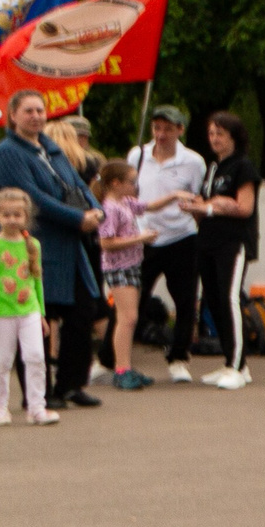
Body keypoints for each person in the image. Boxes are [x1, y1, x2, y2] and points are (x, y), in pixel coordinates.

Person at [0, 90, 104, 409]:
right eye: (29, 111)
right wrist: (78, 218)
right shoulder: (7, 152)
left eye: (40, 110)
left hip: (70, 244)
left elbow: (79, 186)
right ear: (13, 115)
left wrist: (96, 211)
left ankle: (70, 385)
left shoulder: (52, 149)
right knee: (35, 320)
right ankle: (38, 394)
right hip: (34, 246)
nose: (37, 116)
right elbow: (31, 198)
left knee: (84, 312)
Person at [128, 105, 210, 383]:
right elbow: (130, 194)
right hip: (145, 237)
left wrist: (193, 211)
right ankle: (114, 357)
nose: (161, 134)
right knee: (132, 298)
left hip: (181, 236)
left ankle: (178, 358)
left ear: (180, 130)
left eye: (167, 129)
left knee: (186, 301)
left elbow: (196, 196)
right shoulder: (138, 155)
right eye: (156, 128)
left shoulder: (193, 161)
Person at [189, 112, 260, 390]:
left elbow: (244, 207)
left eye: (220, 133)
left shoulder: (243, 167)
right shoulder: (212, 168)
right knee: (214, 300)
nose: (214, 139)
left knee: (230, 299)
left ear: (234, 136)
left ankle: (238, 365)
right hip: (207, 240)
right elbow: (210, 206)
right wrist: (200, 206)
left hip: (233, 242)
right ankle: (233, 361)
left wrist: (215, 204)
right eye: (211, 134)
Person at [0, 187, 55, 424]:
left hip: (30, 311)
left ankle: (37, 407)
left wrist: (42, 313)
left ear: (26, 217)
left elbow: (36, 281)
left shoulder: (32, 244)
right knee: (2, 361)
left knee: (36, 356)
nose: (12, 219)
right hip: (0, 311)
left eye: (17, 215)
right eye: (6, 215)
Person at [91, 158, 161, 389]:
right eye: (131, 182)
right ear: (115, 183)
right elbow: (106, 242)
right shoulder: (109, 208)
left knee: (129, 319)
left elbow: (149, 206)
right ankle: (121, 370)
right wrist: (141, 238)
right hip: (118, 267)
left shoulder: (126, 202)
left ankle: (125, 366)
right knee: (127, 318)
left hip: (131, 265)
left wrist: (176, 196)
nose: (135, 186)